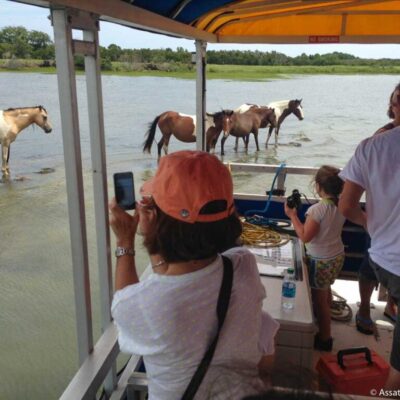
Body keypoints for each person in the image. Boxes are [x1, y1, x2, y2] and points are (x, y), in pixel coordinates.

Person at [109, 150, 279, 400]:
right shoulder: (243, 266)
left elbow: (129, 296)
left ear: (155, 219)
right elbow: (177, 275)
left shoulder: (145, 304)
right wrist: (157, 230)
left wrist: (126, 240)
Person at [338, 83, 400, 390]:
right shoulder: (377, 139)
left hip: (387, 260)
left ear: (395, 106)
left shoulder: (372, 146)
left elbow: (346, 205)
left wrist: (372, 225)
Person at [284, 165, 345, 352]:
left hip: (321, 261)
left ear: (318, 186)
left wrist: (292, 216)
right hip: (336, 256)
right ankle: (324, 320)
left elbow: (304, 236)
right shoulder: (342, 205)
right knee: (325, 291)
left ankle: (325, 338)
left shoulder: (317, 211)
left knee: (319, 300)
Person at [355, 83, 400, 335]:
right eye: (395, 101)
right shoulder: (380, 138)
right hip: (381, 219)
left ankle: (390, 305)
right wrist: (368, 221)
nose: (395, 106)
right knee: (368, 263)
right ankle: (363, 309)